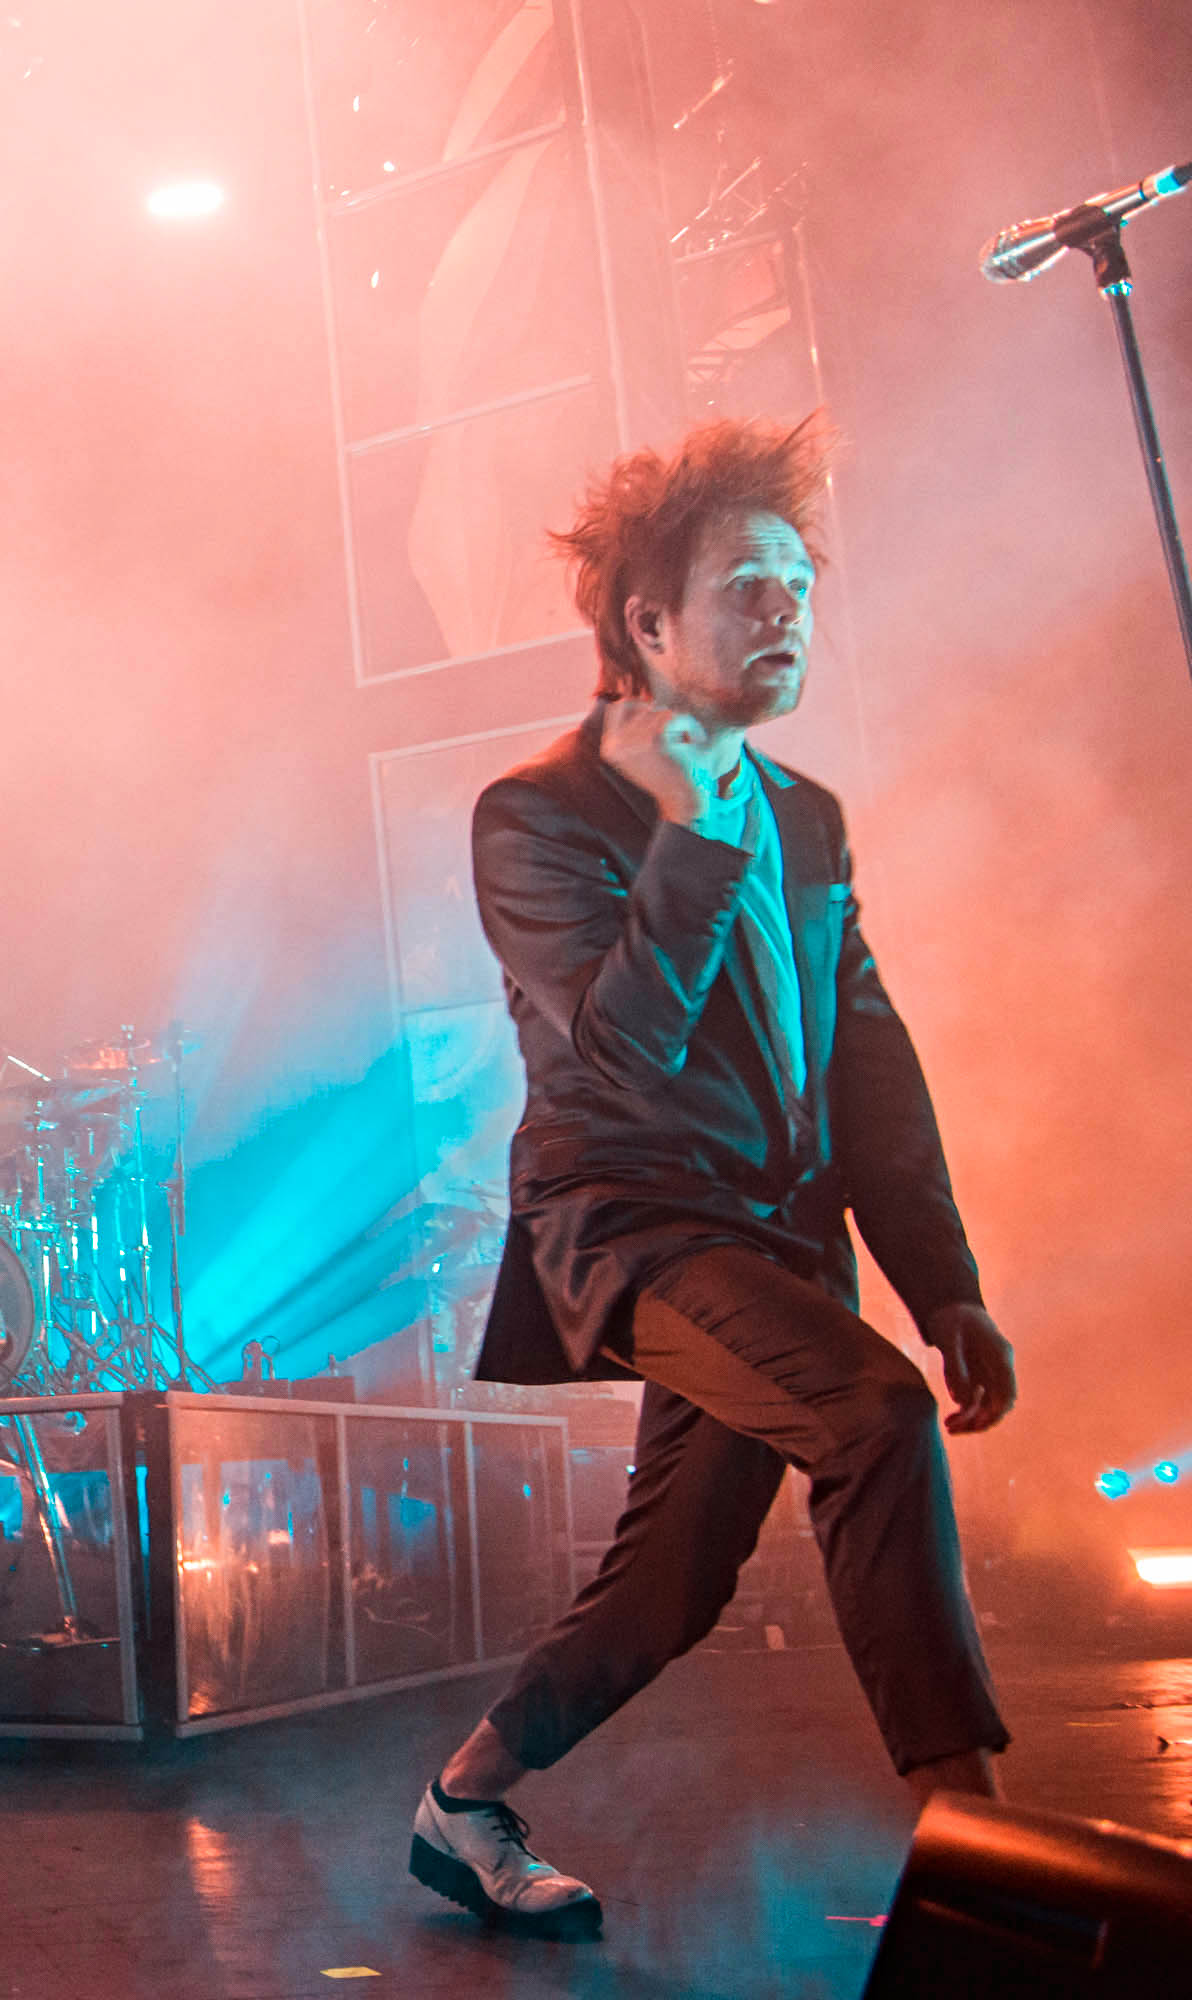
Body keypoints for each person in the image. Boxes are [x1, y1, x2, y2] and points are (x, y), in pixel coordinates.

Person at [407, 417, 1018, 1937]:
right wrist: (687, 833)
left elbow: (866, 1062)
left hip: (777, 1242)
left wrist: (944, 1283)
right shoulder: (537, 815)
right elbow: (623, 1054)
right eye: (750, 584)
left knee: (672, 1577)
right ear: (649, 624)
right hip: (633, 1228)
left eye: (799, 580)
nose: (788, 607)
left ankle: (462, 1801)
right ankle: (984, 1856)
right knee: (872, 1415)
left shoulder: (804, 814)